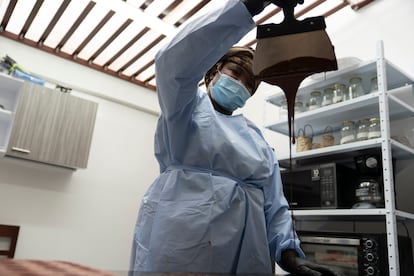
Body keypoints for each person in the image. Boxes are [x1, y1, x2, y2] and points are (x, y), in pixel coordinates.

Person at [129, 1, 341, 275]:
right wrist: (247, 5)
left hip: (248, 253)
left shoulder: (256, 139)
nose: (241, 84)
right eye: (236, 73)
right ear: (213, 71)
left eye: (249, 83)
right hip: (184, 244)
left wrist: (289, 254)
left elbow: (274, 202)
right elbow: (172, 64)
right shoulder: (184, 109)